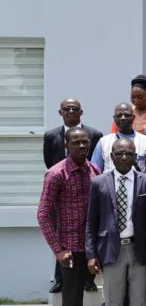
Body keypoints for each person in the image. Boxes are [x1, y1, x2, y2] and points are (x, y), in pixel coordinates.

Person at [85, 138, 146, 306]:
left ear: (135, 156)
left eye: (128, 153)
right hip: (111, 250)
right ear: (111, 157)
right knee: (113, 304)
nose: (124, 157)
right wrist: (91, 254)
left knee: (140, 303)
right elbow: (91, 221)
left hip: (139, 250)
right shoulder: (98, 183)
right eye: (119, 153)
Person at [36, 127, 102, 306]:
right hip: (71, 249)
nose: (82, 146)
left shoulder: (95, 170)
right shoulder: (56, 174)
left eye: (85, 142)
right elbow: (43, 214)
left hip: (96, 246)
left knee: (116, 292)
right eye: (76, 143)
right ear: (67, 145)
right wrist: (57, 250)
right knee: (72, 301)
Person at [42, 98, 102, 294]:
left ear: (81, 111)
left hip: (87, 213)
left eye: (74, 108)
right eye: (66, 109)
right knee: (70, 298)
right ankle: (59, 279)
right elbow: (48, 161)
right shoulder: (52, 137)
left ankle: (89, 280)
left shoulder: (94, 139)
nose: (82, 145)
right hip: (61, 202)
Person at [91, 103, 146, 177]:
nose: (123, 118)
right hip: (110, 187)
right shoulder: (103, 142)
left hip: (139, 187)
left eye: (127, 115)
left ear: (133, 117)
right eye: (119, 115)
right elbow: (95, 171)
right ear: (114, 118)